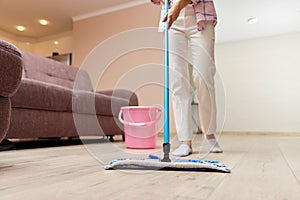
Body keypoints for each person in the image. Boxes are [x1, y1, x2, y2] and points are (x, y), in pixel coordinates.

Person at [150, 0, 222, 156]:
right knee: (176, 79)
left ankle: (209, 135)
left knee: (203, 76)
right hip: (172, 23)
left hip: (201, 15)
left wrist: (176, 7)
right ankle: (185, 141)